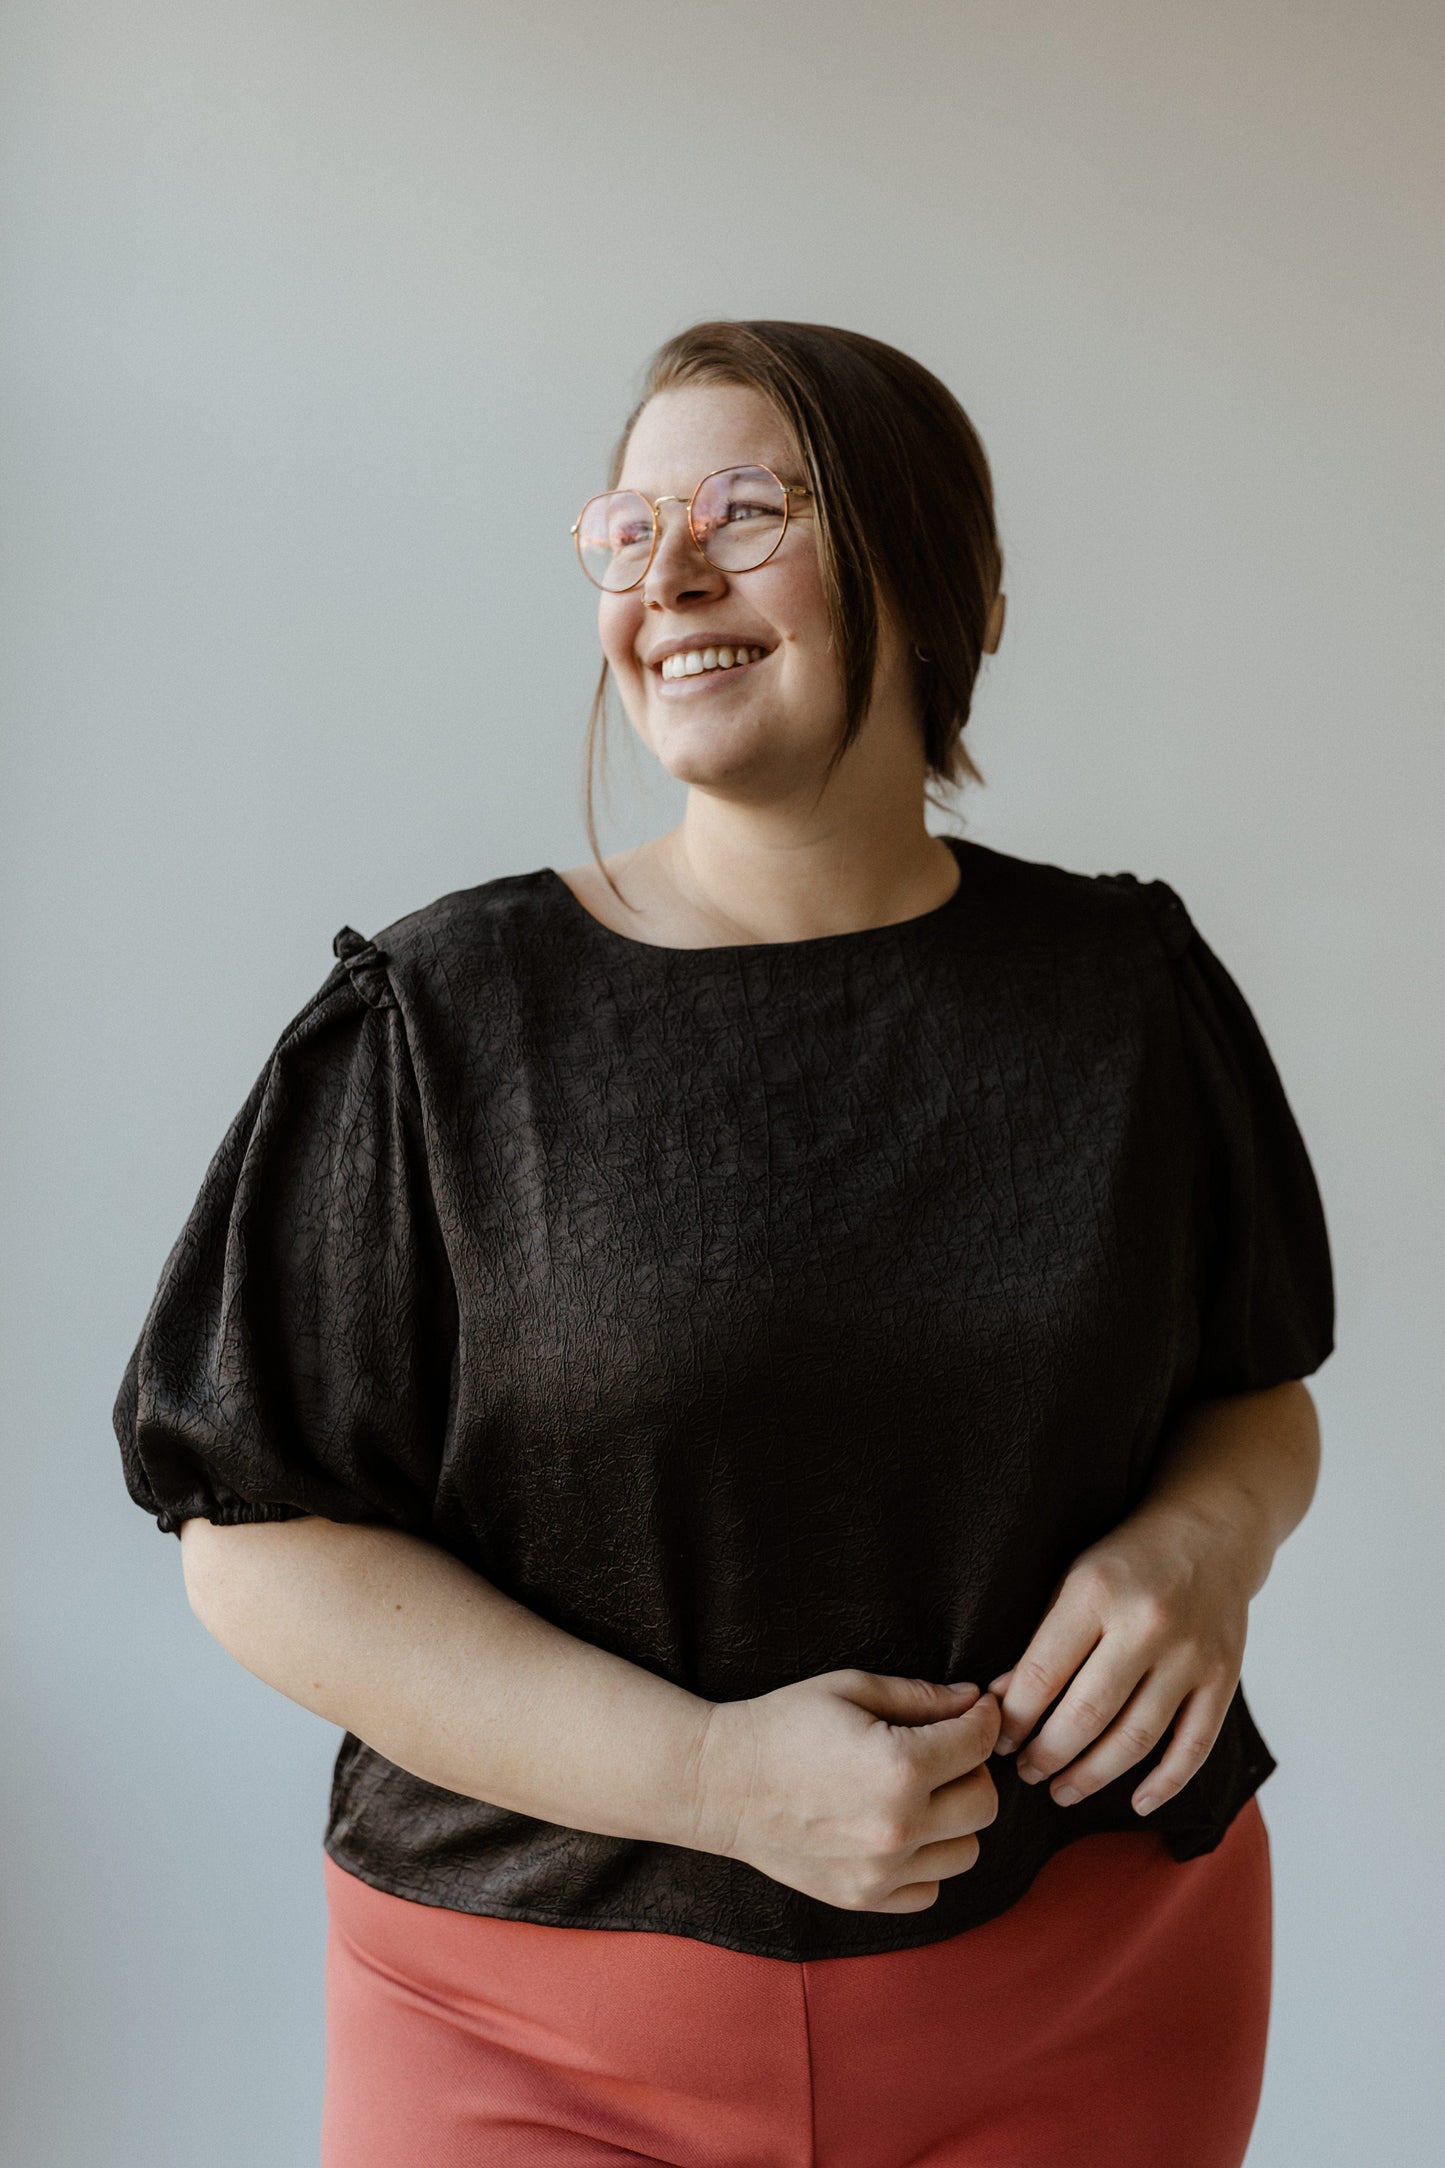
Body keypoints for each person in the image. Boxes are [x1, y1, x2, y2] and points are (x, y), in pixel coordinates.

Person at [114, 318, 1334, 2168]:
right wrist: (706, 1778)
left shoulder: (1126, 992)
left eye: (745, 509)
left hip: (1094, 1985)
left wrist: (1205, 1539)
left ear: (940, 579)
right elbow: (254, 1540)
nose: (666, 575)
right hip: (524, 2016)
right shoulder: (434, 1021)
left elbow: (1255, 1393)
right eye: (626, 528)